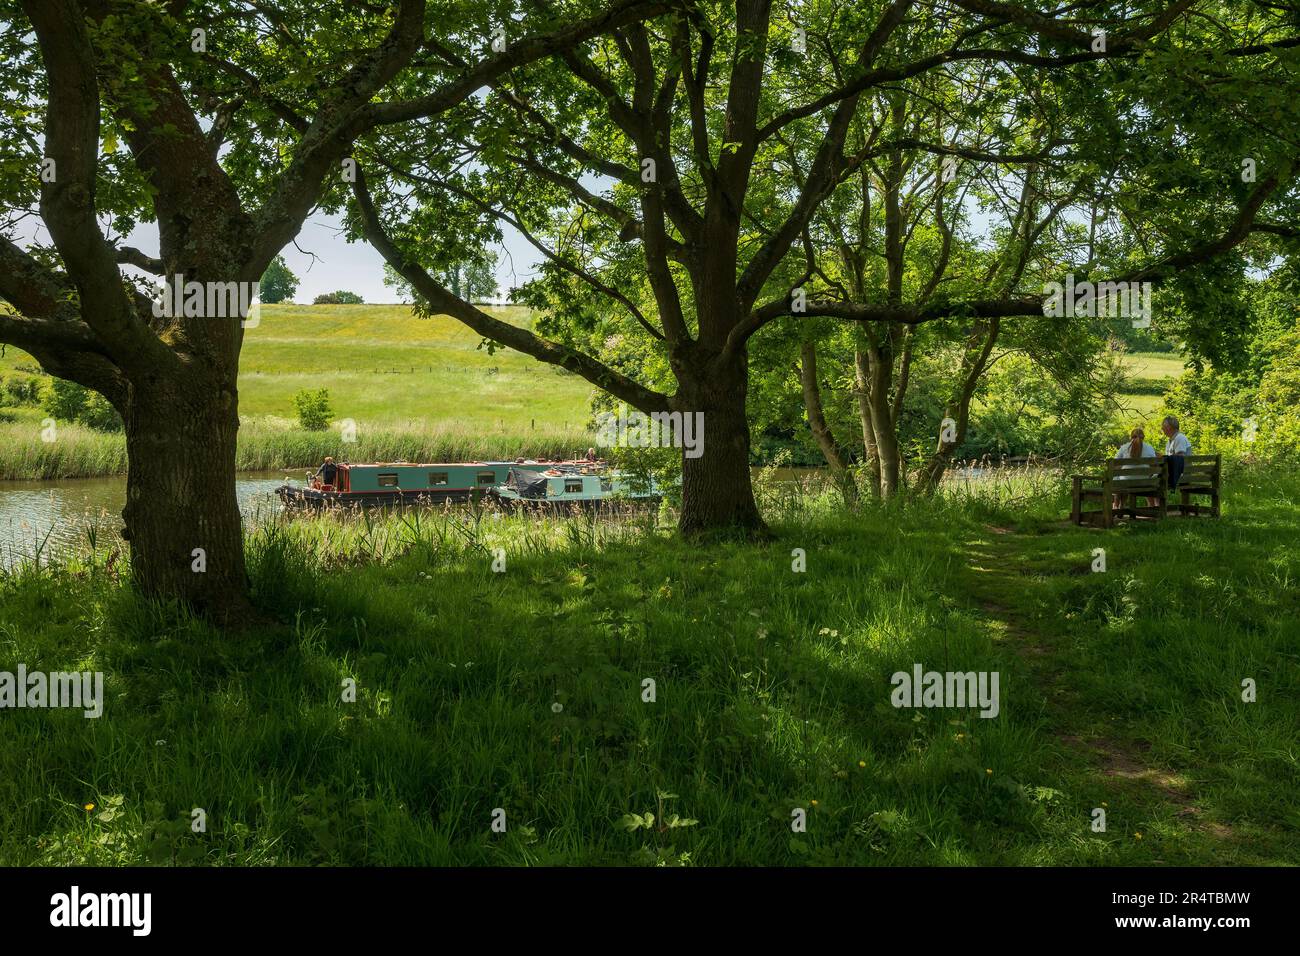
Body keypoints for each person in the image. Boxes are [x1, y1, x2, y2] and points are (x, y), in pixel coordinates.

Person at [1112, 427, 1156, 510]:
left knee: (1118, 478)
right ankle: (1121, 505)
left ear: (1131, 437)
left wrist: (1122, 468)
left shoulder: (1124, 447)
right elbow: (1154, 466)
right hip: (1144, 482)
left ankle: (1117, 506)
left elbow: (1115, 464)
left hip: (1126, 481)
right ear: (1143, 437)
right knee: (1123, 478)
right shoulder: (1149, 448)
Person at [1159, 415, 1192, 503]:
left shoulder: (1179, 438)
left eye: (1163, 427)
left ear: (1169, 428)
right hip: (1176, 472)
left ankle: (1157, 507)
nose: (1162, 429)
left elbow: (1179, 459)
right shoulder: (1171, 440)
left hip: (1182, 473)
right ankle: (1155, 506)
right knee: (1152, 476)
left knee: (1153, 479)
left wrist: (1163, 457)